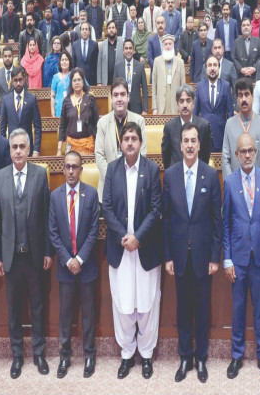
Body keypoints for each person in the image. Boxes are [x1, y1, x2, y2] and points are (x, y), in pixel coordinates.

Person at [102, 122, 163, 380]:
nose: (129, 142)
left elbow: (156, 209)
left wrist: (138, 237)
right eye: (126, 138)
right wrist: (124, 238)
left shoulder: (151, 170)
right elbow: (106, 207)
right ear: (120, 143)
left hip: (145, 247)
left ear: (140, 143)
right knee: (124, 303)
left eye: (134, 138)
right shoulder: (112, 170)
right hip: (120, 248)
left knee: (147, 302)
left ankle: (146, 354)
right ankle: (127, 353)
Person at [163, 122, 221, 383]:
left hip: (202, 257)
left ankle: (201, 358)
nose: (189, 145)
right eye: (185, 140)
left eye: (193, 140)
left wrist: (214, 257)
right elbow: (166, 220)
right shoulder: (171, 174)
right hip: (178, 256)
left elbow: (217, 222)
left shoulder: (210, 175)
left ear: (199, 144)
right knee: (183, 308)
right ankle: (185, 356)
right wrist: (167, 256)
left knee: (202, 309)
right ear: (180, 144)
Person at [0, 129, 52, 379]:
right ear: (10, 151)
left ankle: (39, 353)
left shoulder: (40, 175)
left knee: (38, 306)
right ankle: (17, 355)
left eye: (21, 147)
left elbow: (48, 217)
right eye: (14, 147)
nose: (17, 151)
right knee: (14, 307)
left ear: (28, 150)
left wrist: (49, 251)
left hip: (35, 255)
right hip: (11, 257)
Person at [222, 132, 260, 381]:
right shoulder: (231, 182)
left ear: (256, 153)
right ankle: (236, 356)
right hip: (238, 257)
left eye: (251, 151)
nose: (247, 155)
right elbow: (225, 224)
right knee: (238, 309)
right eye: (242, 151)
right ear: (236, 155)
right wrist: (227, 259)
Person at [48, 152, 100, 379]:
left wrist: (80, 259)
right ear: (63, 169)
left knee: (88, 313)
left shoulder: (91, 194)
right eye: (67, 167)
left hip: (86, 265)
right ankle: (64, 356)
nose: (70, 171)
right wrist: (68, 260)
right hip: (65, 266)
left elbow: (93, 231)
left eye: (75, 167)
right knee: (66, 314)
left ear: (81, 169)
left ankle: (89, 355)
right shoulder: (55, 196)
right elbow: (53, 232)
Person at [95, 78, 147, 200]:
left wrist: (128, 177)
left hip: (133, 185)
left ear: (128, 98)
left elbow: (142, 153)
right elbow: (99, 154)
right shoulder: (102, 123)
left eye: (123, 94)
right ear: (111, 98)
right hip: (108, 188)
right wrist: (114, 179)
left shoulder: (139, 121)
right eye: (116, 95)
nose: (119, 99)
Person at [222, 77, 260, 177]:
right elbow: (225, 159)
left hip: (257, 186)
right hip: (235, 186)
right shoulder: (229, 124)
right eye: (240, 95)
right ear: (236, 99)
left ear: (252, 96)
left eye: (247, 94)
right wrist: (232, 185)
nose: (244, 99)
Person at [161, 85, 211, 169]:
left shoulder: (204, 126)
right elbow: (166, 156)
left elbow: (205, 155)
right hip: (176, 175)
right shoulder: (169, 127)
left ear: (194, 104)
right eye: (181, 101)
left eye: (188, 101)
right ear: (177, 104)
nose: (185, 105)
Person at [0, 67, 42, 157]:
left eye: (20, 80)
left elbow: (38, 127)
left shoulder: (32, 99)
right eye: (15, 80)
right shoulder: (6, 100)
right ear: (11, 81)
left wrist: (36, 150)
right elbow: (2, 129)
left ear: (25, 79)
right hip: (12, 148)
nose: (18, 83)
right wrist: (3, 150)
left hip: (27, 147)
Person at [194, 56, 233, 153]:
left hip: (221, 135)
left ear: (219, 68)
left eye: (215, 65)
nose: (212, 68)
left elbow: (230, 114)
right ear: (206, 68)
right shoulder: (199, 86)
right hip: (203, 135)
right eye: (209, 65)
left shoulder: (226, 86)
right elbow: (195, 114)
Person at [57, 68, 99, 156]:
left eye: (79, 80)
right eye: (74, 80)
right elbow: (62, 126)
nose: (77, 82)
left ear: (83, 82)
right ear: (71, 83)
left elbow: (96, 125)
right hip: (71, 146)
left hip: (88, 145)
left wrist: (98, 147)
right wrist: (59, 150)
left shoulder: (90, 99)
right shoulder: (66, 101)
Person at [152, 34, 185, 115]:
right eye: (166, 44)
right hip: (161, 106)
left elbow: (183, 86)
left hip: (176, 106)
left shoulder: (180, 62)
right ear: (163, 46)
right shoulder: (157, 61)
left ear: (173, 45)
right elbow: (154, 86)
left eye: (170, 44)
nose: (168, 46)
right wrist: (154, 107)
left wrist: (182, 105)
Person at [116, 39, 148, 115]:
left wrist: (145, 109)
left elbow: (145, 89)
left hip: (137, 107)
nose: (128, 51)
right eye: (126, 48)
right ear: (123, 51)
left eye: (130, 48)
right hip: (122, 105)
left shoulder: (140, 66)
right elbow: (115, 88)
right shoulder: (117, 66)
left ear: (133, 50)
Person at [0, 47, 18, 118]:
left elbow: (24, 93)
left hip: (17, 111)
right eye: (5, 56)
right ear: (2, 58)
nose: (7, 58)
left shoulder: (19, 72)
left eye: (9, 56)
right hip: (2, 112)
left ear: (13, 57)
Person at [72, 22, 99, 86]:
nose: (84, 31)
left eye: (86, 29)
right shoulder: (75, 45)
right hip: (78, 79)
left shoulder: (94, 45)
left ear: (89, 32)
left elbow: (96, 63)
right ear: (80, 31)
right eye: (83, 29)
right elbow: (73, 63)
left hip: (91, 79)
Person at [50, 51, 74, 118]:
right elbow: (52, 96)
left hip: (72, 108)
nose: (64, 62)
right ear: (60, 62)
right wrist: (53, 113)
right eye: (62, 60)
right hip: (59, 110)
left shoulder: (74, 75)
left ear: (70, 61)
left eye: (66, 60)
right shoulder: (55, 77)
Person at [96, 20, 118, 86]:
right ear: (107, 30)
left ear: (116, 30)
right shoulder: (102, 45)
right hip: (105, 82)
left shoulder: (122, 43)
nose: (111, 30)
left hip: (119, 81)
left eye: (113, 28)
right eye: (109, 28)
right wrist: (99, 82)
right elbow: (99, 65)